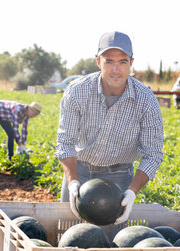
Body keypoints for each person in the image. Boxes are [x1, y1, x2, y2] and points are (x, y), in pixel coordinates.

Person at [55, 31, 163, 224]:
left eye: (122, 62)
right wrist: (73, 182)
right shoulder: (77, 91)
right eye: (109, 61)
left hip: (119, 175)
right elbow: (65, 142)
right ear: (98, 62)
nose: (116, 69)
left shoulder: (146, 100)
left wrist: (131, 192)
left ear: (131, 62)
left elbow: (153, 154)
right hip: (80, 170)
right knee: (69, 233)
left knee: (109, 242)